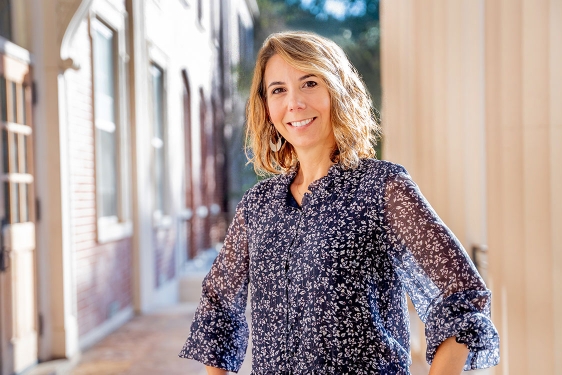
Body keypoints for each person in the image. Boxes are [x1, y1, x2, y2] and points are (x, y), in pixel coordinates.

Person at [179, 31, 500, 375]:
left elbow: (463, 294)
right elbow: (218, 304)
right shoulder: (258, 205)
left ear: (337, 88)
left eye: (310, 83)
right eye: (279, 90)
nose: (295, 102)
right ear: (267, 107)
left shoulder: (383, 188)